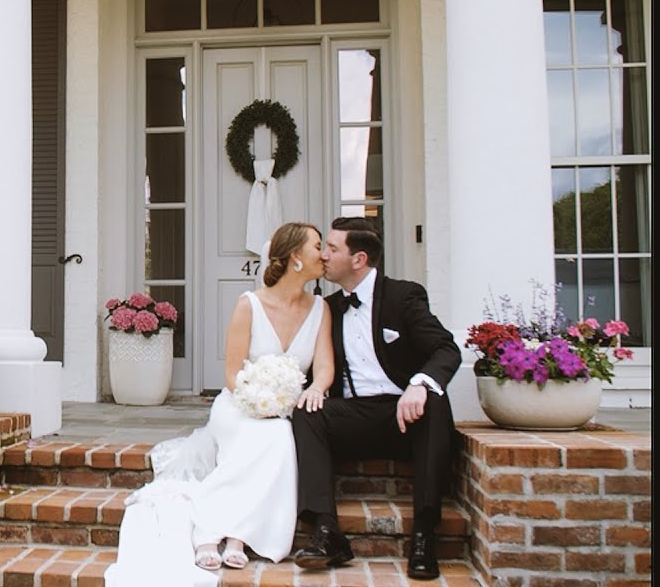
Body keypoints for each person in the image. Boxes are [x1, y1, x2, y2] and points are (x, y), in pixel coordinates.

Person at [105, 222, 334, 586]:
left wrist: (315, 389)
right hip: (239, 404)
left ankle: (239, 535)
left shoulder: (321, 308)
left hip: (282, 409)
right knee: (261, 435)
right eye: (317, 246)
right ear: (295, 258)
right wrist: (258, 400)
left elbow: (323, 366)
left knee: (278, 437)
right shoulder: (250, 305)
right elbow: (232, 374)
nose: (324, 255)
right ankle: (211, 530)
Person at [290, 217, 462, 581]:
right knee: (308, 412)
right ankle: (326, 532)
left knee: (434, 402)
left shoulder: (403, 296)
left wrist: (420, 384)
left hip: (403, 414)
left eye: (332, 249)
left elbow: (445, 349)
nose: (323, 255)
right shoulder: (329, 307)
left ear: (359, 259)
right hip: (353, 415)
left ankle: (423, 536)